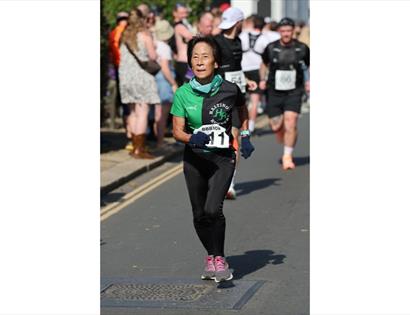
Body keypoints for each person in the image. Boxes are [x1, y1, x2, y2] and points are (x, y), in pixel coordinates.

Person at [171, 36, 254, 282]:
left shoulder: (230, 89)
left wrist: (246, 135)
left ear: (215, 62)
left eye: (205, 56)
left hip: (222, 158)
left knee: (212, 209)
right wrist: (191, 139)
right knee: (198, 215)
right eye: (194, 57)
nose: (199, 61)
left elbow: (242, 109)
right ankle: (211, 255)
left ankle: (219, 258)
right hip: (195, 160)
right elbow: (177, 131)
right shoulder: (183, 94)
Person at [214, 7, 257, 199]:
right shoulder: (215, 42)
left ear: (238, 22)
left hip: (236, 95)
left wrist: (246, 79)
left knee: (234, 137)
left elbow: (236, 68)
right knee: (217, 141)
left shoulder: (239, 41)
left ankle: (229, 183)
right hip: (217, 96)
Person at [259, 17, 310, 170]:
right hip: (274, 90)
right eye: (283, 31)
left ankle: (287, 155)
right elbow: (264, 64)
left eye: (289, 31)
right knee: (276, 125)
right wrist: (262, 79)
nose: (286, 34)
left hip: (294, 89)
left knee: (291, 121)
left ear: (293, 31)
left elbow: (308, 66)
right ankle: (285, 132)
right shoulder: (271, 47)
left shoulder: (302, 48)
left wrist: (309, 82)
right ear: (279, 32)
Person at [119, 9, 160, 159]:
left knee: (133, 112)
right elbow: (153, 56)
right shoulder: (145, 35)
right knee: (143, 112)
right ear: (142, 19)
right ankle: (140, 149)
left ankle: (134, 146)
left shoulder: (124, 36)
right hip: (142, 77)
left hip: (126, 78)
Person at [109, 11, 132, 149]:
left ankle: (129, 134)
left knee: (125, 102)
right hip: (127, 69)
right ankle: (133, 136)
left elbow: (113, 53)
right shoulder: (127, 32)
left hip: (119, 69)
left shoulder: (112, 33)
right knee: (132, 104)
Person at [153, 20, 178, 147]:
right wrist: (173, 83)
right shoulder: (165, 48)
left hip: (156, 79)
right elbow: (165, 68)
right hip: (164, 81)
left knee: (157, 112)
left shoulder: (154, 44)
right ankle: (160, 142)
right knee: (163, 114)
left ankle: (157, 140)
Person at [239, 15, 266, 133]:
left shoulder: (243, 35)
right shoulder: (265, 39)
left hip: (243, 69)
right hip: (256, 69)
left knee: (241, 100)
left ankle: (241, 124)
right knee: (255, 101)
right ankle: (251, 126)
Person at [172, 3, 194, 86]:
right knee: (187, 88)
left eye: (185, 13)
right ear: (175, 13)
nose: (184, 15)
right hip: (183, 62)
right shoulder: (179, 26)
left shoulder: (183, 25)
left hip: (183, 61)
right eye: (181, 13)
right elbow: (191, 37)